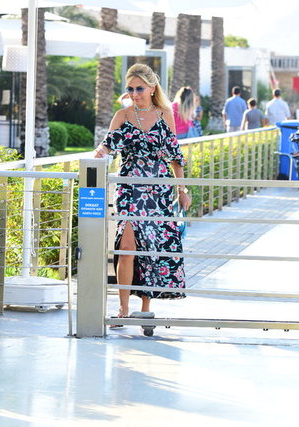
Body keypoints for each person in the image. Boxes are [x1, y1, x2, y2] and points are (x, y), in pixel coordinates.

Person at [93, 63, 191, 324]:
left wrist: (182, 189)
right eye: (130, 89)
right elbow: (106, 146)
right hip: (128, 188)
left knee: (149, 247)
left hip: (158, 191)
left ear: (152, 88)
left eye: (139, 88)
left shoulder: (164, 114)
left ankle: (145, 306)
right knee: (126, 247)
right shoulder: (122, 115)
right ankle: (123, 308)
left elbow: (175, 156)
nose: (134, 93)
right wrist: (97, 156)